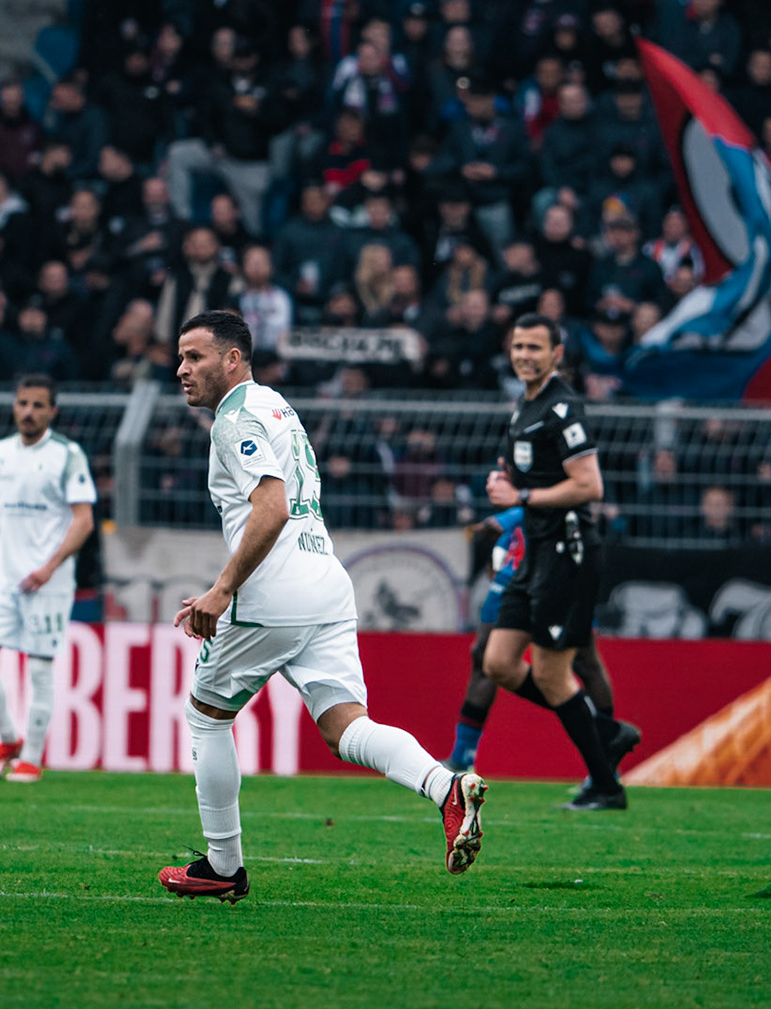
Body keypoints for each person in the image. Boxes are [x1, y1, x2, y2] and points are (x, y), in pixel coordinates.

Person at [157, 311, 485, 902]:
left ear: (232, 359)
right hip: (326, 580)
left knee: (207, 715)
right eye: (180, 358)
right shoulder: (277, 404)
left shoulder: (235, 419)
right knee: (344, 727)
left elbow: (272, 506)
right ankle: (446, 787)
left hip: (273, 590)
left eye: (194, 357)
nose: (181, 370)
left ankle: (223, 866)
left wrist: (223, 587)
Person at [481, 314, 633, 811]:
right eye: (518, 345)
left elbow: (590, 486)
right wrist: (505, 489)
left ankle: (606, 783)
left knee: (552, 672)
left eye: (534, 347)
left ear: (556, 354)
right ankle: (605, 730)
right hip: (537, 552)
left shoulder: (563, 406)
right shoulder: (524, 405)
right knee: (499, 663)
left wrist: (520, 494)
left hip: (567, 551)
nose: (524, 354)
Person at [0, 376, 97, 783]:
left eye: (38, 405)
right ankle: (9, 739)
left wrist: (51, 566)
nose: (28, 411)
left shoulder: (68, 454)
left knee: (40, 668)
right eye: (23, 403)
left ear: (52, 412)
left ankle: (31, 756)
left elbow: (84, 520)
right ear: (14, 406)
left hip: (49, 581)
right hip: (3, 577)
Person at [442, 505, 639, 775]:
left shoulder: (561, 473)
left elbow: (563, 493)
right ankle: (462, 756)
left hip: (556, 559)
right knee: (484, 656)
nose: (492, 481)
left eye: (498, 476)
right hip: (516, 556)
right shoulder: (513, 477)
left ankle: (605, 757)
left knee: (583, 662)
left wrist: (506, 517)